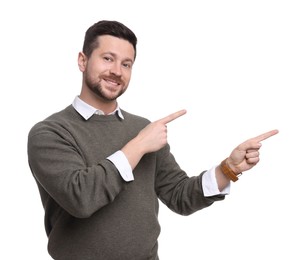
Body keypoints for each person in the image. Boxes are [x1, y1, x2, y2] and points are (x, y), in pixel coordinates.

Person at [27, 20, 278, 260]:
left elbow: (180, 196)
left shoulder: (142, 128)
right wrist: (138, 146)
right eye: (107, 59)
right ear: (83, 60)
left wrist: (229, 169)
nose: (117, 71)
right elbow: (81, 198)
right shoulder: (50, 133)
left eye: (127, 64)